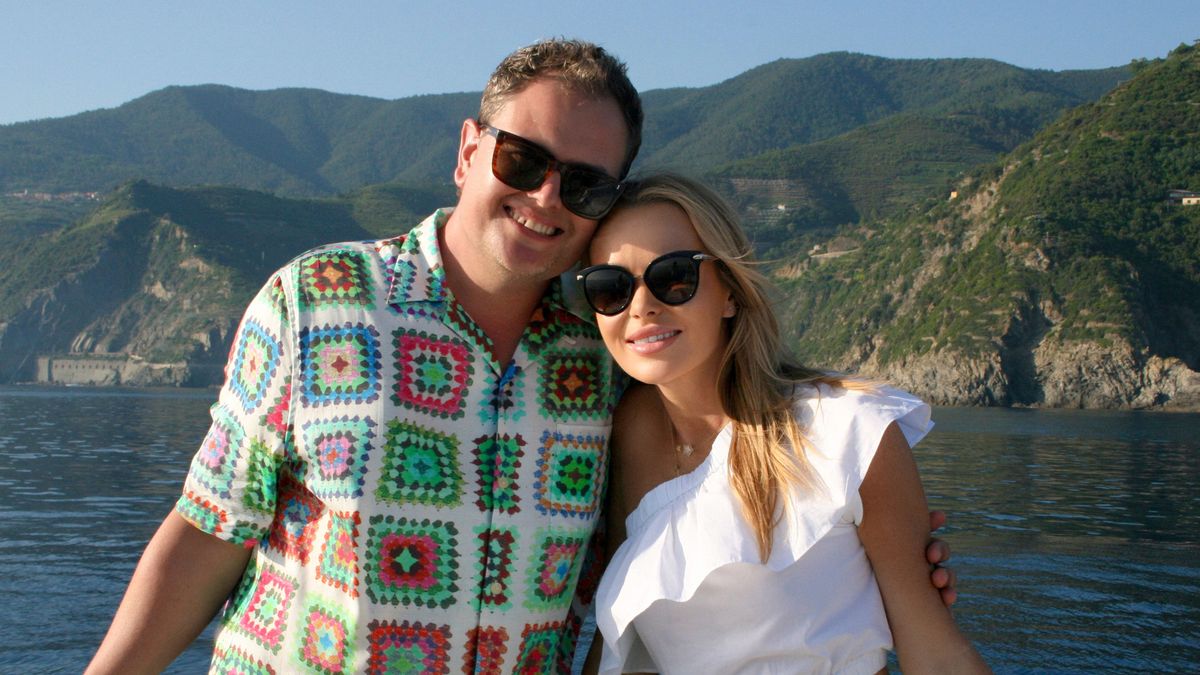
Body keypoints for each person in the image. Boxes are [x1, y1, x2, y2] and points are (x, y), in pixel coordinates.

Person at [86, 40, 956, 674]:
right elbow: (208, 528)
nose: (547, 196)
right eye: (522, 158)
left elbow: (726, 431)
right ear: (469, 149)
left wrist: (871, 553)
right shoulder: (318, 300)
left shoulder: (603, 346)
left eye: (583, 184)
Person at [579, 174, 988, 674]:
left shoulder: (845, 431)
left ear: (729, 291)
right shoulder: (630, 432)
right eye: (610, 287)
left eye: (674, 276)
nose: (641, 305)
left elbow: (937, 654)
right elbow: (615, 648)